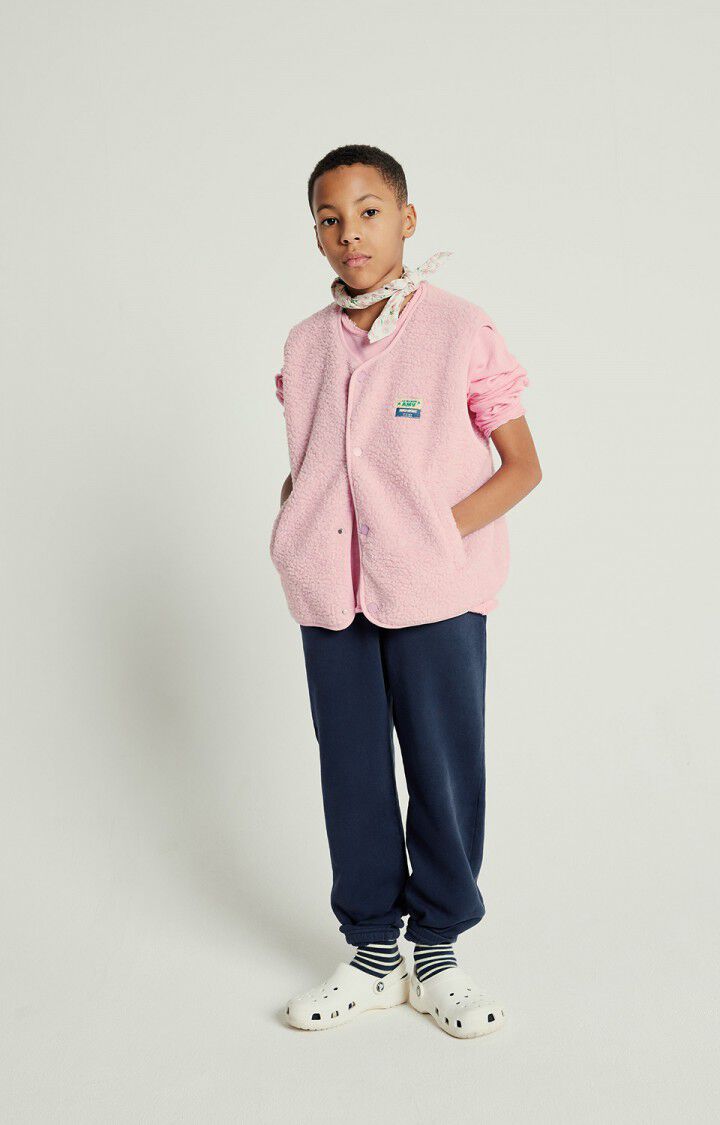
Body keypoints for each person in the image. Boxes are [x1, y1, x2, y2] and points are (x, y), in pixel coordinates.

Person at [270, 144, 542, 1038]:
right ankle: (372, 954)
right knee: (349, 770)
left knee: (442, 767)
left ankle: (437, 951)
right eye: (331, 218)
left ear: (407, 219)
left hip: (437, 590)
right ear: (316, 233)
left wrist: (432, 536)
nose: (351, 232)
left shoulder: (459, 327)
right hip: (330, 588)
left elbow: (522, 466)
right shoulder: (306, 343)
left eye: (369, 211)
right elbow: (314, 462)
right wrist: (296, 523)